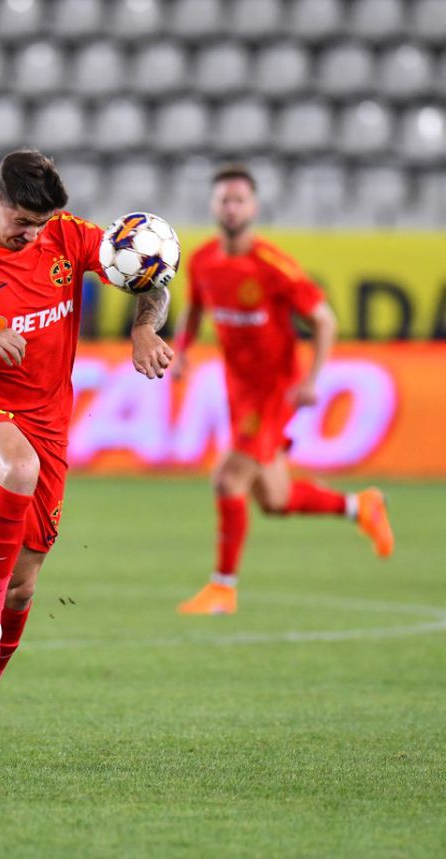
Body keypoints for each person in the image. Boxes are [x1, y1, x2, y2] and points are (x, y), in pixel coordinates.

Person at [0, 149, 173, 767]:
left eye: (41, 224)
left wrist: (143, 328)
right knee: (17, 469)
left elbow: (151, 274)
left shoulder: (64, 236)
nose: (32, 234)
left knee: (23, 591)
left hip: (49, 426)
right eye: (23, 222)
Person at [172, 164, 394, 616]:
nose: (231, 207)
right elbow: (194, 310)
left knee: (228, 477)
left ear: (253, 208)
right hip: (239, 391)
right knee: (273, 498)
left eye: (239, 200)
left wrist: (312, 380)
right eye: (224, 200)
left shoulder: (272, 266)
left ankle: (222, 589)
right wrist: (181, 351)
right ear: (214, 206)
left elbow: (325, 319)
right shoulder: (202, 261)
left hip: (276, 391)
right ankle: (360, 505)